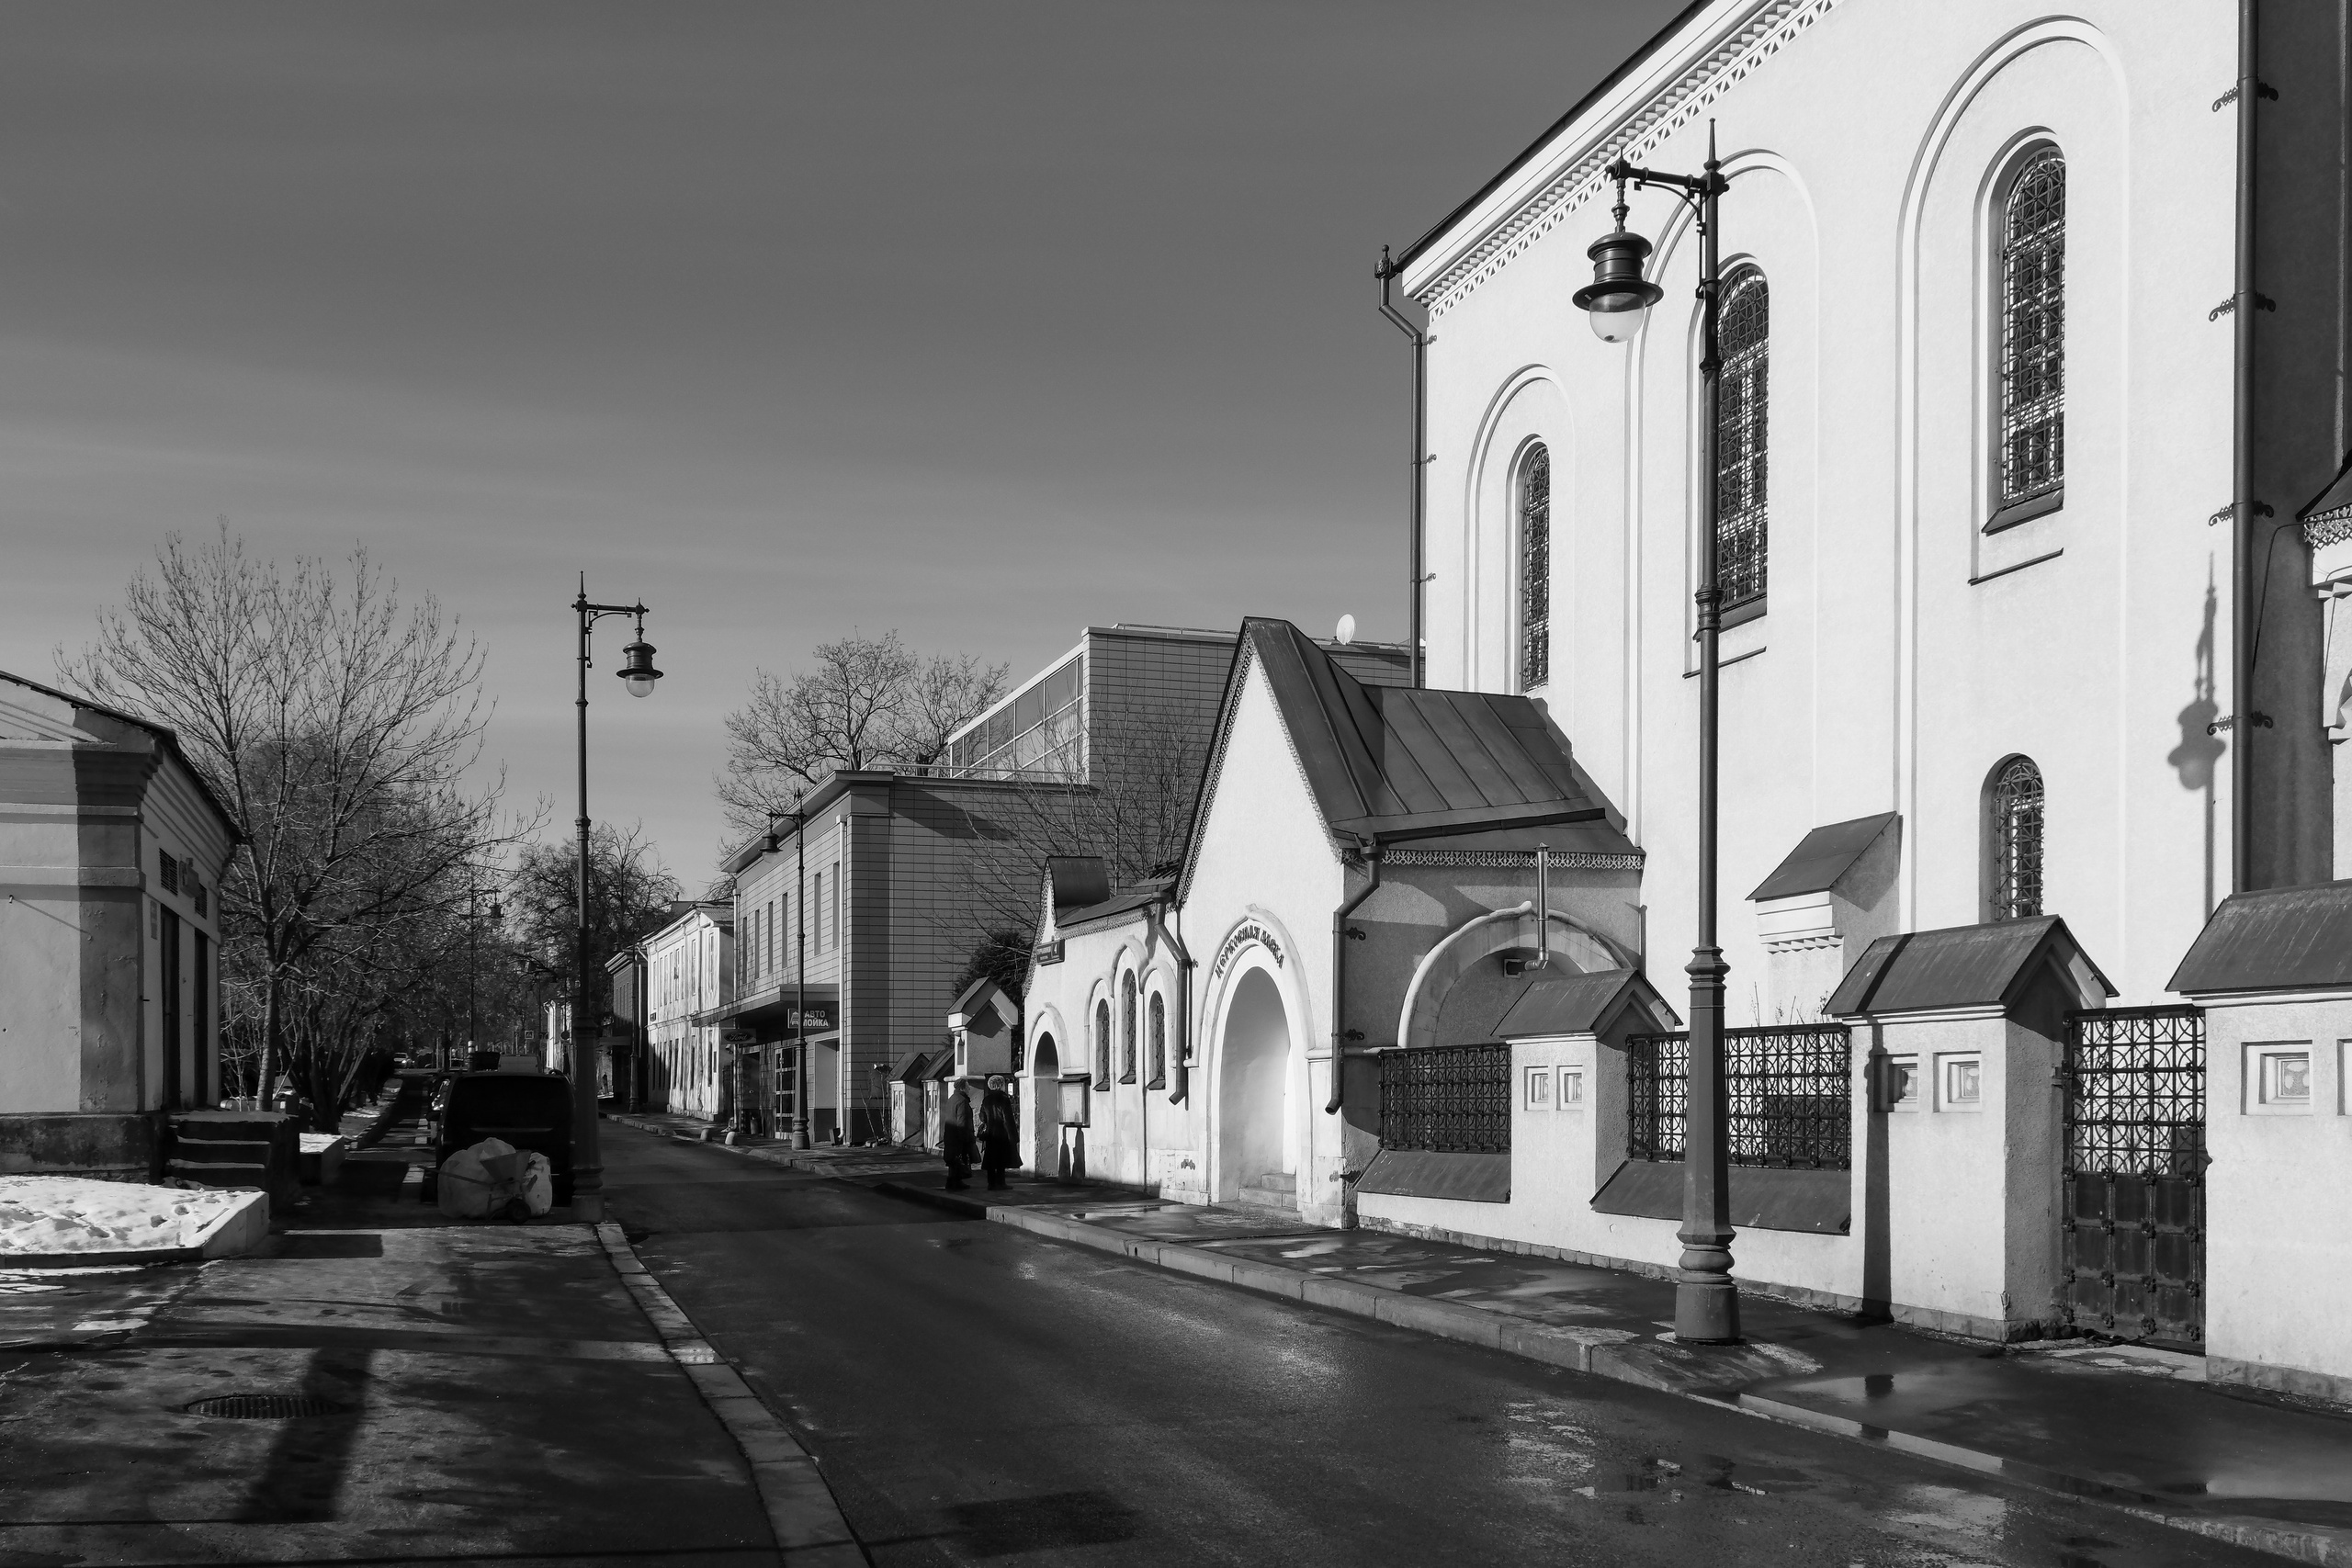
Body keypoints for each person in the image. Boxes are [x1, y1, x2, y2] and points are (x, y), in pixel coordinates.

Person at [978, 1075, 1020, 1190]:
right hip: (1002, 1134)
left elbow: (982, 1117)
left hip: (990, 1134)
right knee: (1001, 1160)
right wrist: (1013, 1136)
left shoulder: (987, 1099)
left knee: (991, 1160)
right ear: (1000, 1085)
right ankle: (1001, 1183)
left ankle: (991, 1184)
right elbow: (1008, 1119)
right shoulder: (1003, 1098)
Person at [940, 1081, 978, 1190]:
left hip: (950, 1135)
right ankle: (955, 1183)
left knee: (953, 1161)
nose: (969, 1089)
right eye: (968, 1087)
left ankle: (953, 1182)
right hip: (958, 1137)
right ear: (962, 1088)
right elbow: (962, 1122)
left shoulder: (952, 1099)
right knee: (959, 1160)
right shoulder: (962, 1101)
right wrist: (966, 1138)